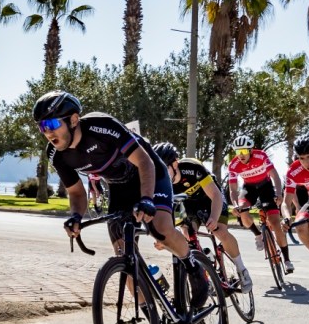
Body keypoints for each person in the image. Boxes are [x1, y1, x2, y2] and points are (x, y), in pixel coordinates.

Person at [33, 90, 210, 308]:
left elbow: (144, 162)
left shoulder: (101, 127)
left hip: (150, 174)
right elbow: (77, 192)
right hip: (119, 188)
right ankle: (152, 318)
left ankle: (193, 268)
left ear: (74, 119)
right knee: (124, 256)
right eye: (42, 127)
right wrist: (76, 216)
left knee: (160, 230)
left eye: (51, 124)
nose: (47, 132)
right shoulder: (56, 154)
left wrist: (147, 199)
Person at [153, 141, 253, 292]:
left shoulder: (192, 168)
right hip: (189, 204)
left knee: (219, 231)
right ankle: (206, 262)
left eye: (164, 169)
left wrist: (213, 217)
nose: (162, 175)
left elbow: (215, 196)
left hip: (210, 198)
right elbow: (164, 212)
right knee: (187, 234)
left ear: (175, 164)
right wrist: (162, 238)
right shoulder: (162, 183)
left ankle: (242, 269)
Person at [227, 135, 294, 274]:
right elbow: (233, 189)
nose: (241, 155)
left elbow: (275, 175)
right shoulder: (233, 165)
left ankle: (287, 259)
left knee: (275, 223)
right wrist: (235, 205)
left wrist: (278, 194)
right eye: (238, 152)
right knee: (242, 211)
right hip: (249, 188)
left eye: (244, 151)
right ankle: (257, 234)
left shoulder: (261, 156)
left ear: (250, 150)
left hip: (265, 187)